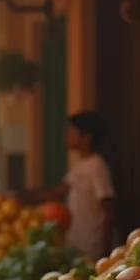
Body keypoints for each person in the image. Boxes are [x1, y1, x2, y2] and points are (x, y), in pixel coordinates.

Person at [26, 111, 115, 259]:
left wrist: (105, 247)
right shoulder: (80, 164)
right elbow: (59, 191)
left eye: (72, 132)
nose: (67, 136)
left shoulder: (96, 165)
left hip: (92, 245)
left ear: (86, 137)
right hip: (76, 242)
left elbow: (108, 204)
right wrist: (28, 196)